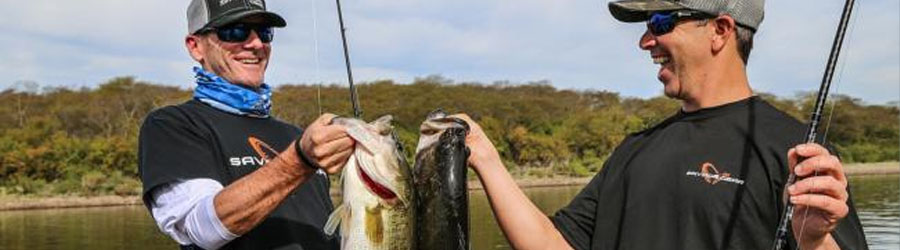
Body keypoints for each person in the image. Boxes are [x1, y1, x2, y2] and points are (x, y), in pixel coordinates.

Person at [454, 0, 868, 249]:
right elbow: (550, 244)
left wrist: (814, 241)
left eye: (660, 23)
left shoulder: (796, 149)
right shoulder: (634, 150)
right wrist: (486, 157)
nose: (645, 41)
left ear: (720, 30)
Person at [138, 0, 354, 249]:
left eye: (264, 32)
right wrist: (300, 160)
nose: (256, 44)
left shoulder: (295, 135)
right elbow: (202, 228)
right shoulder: (173, 125)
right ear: (195, 46)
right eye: (235, 31)